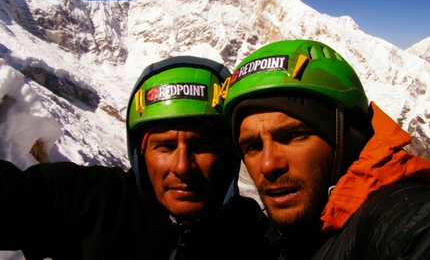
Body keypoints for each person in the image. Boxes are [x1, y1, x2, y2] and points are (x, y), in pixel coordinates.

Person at [0, 56, 276, 260]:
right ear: (141, 152)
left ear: (228, 152)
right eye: (165, 146)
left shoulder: (257, 238)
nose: (182, 167)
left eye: (202, 145)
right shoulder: (87, 200)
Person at [223, 39, 430, 259]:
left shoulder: (403, 220)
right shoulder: (279, 240)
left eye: (294, 136)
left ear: (348, 139)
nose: (268, 165)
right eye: (253, 146)